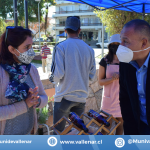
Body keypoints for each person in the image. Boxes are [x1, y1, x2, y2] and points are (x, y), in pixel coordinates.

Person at [49, 16, 96, 133]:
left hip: (64, 97)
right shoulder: (89, 50)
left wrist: (52, 80)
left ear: (65, 30)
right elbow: (92, 76)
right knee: (77, 132)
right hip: (81, 98)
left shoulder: (60, 47)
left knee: (58, 133)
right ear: (79, 30)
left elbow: (57, 74)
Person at [0, 26, 48, 135]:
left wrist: (37, 100)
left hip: (29, 134)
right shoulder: (1, 73)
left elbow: (44, 97)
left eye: (32, 46)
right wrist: (25, 105)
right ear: (12, 49)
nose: (31, 51)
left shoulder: (31, 70)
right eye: (27, 47)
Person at [117, 19, 150, 135]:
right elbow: (125, 99)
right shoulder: (126, 64)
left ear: (144, 43)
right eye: (120, 40)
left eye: (125, 41)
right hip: (138, 128)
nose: (120, 46)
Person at [98, 34, 123, 135]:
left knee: (120, 128)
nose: (115, 46)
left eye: (117, 44)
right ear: (109, 46)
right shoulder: (104, 61)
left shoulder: (125, 61)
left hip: (121, 100)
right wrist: (112, 79)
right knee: (105, 130)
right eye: (113, 44)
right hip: (108, 101)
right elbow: (100, 81)